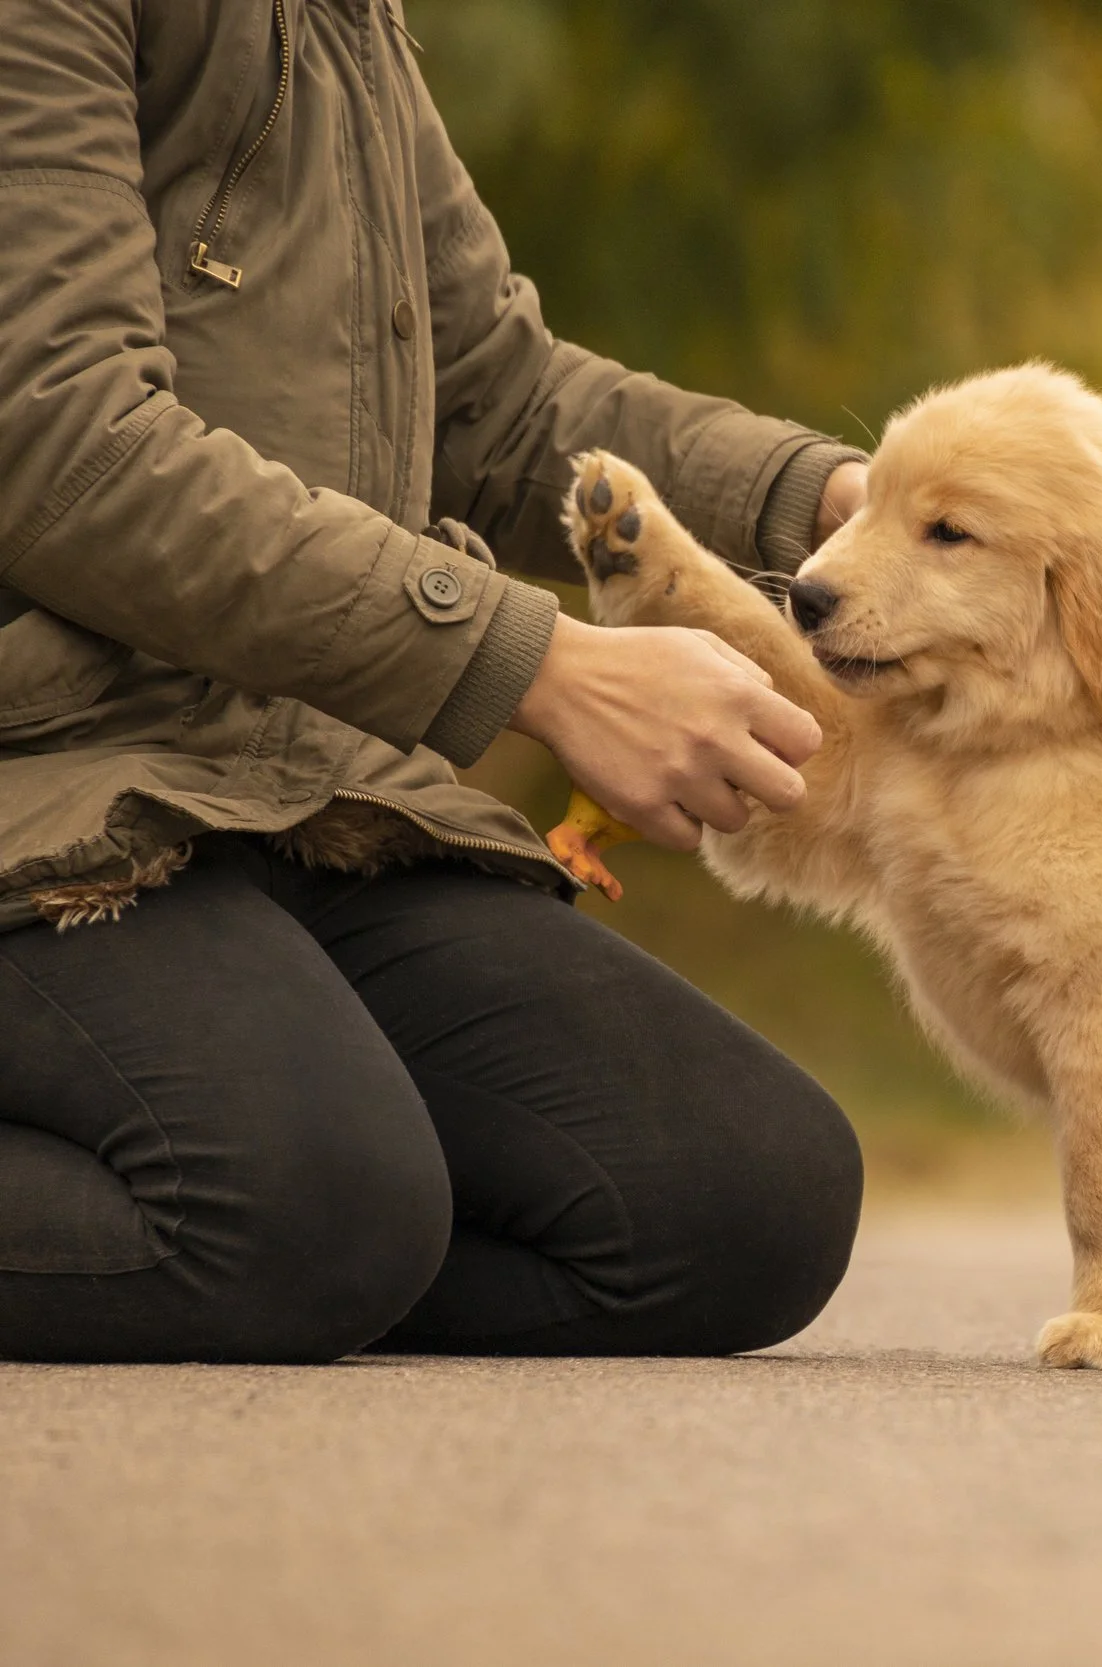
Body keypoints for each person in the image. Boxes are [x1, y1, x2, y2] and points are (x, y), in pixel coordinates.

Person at [0, 1, 868, 1362]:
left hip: (293, 782)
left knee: (738, 1195)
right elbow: (59, 444)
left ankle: (317, 1236)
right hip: (46, 782)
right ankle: (306, 1233)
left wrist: (829, 507)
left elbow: (499, 412)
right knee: (289, 1209)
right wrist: (536, 665)